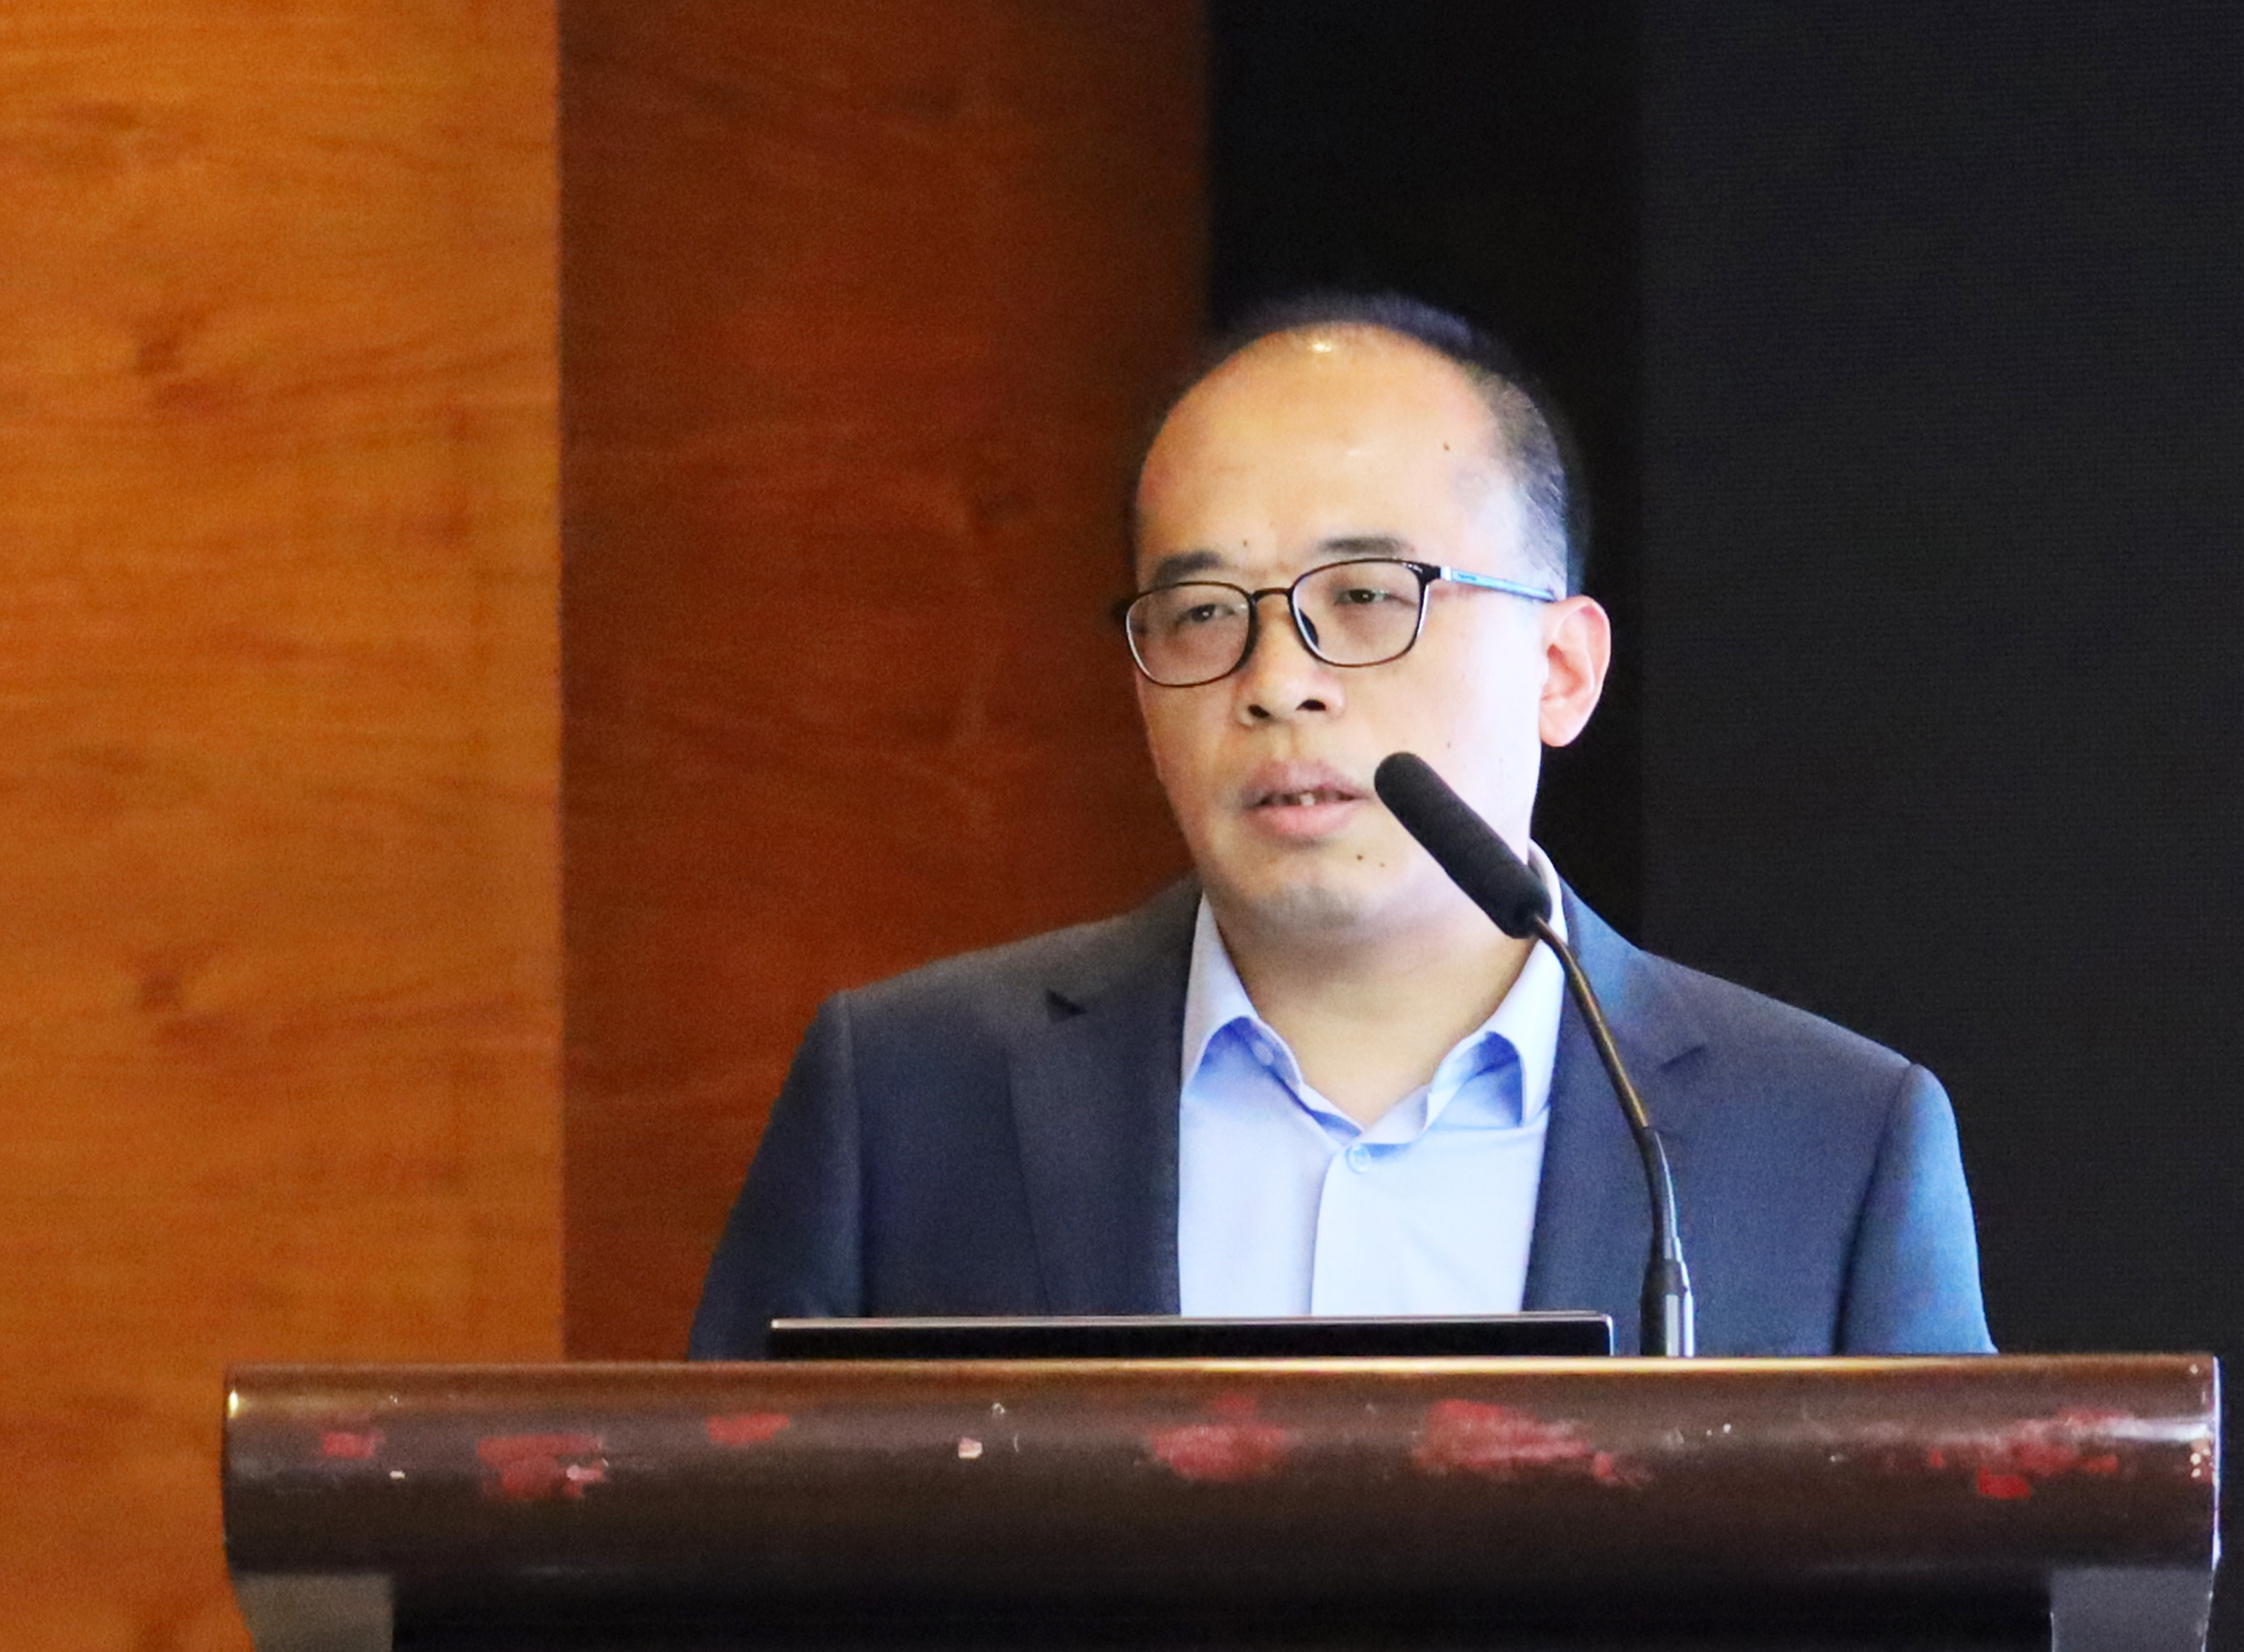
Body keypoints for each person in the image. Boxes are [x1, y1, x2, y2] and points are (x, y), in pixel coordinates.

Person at [688, 294, 1990, 1358]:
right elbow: (730, 1572)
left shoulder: (1827, 1145)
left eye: (1367, 596)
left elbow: (1956, 1596)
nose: (1278, 682)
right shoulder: (910, 1101)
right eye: (1204, 614)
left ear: (1561, 670)